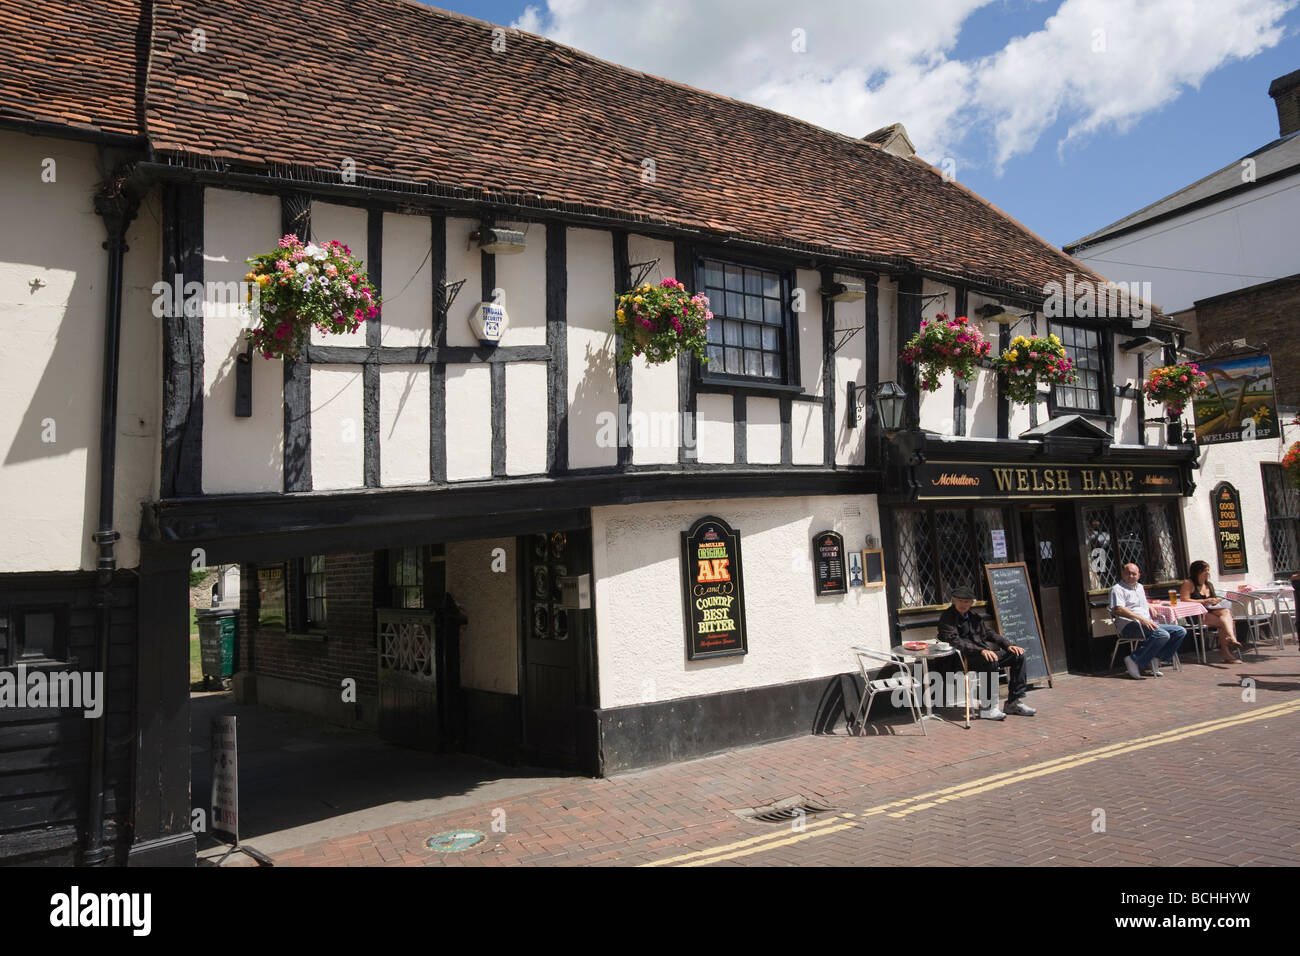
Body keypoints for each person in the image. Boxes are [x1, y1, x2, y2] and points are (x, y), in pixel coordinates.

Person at [936, 586, 1035, 719]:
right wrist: (981, 650)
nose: (963, 604)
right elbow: (955, 642)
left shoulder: (973, 616)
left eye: (966, 601)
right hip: (961, 659)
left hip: (982, 654)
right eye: (960, 601)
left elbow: (989, 633)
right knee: (990, 660)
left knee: (1018, 656)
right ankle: (988, 707)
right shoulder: (947, 618)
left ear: (972, 603)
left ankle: (1013, 702)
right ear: (954, 601)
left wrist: (1008, 645)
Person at [1109, 563, 1187, 678]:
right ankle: (1133, 659)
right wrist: (1141, 619)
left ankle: (1155, 658)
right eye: (1127, 573)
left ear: (1139, 575)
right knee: (1162, 634)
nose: (1130, 576)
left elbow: (1139, 603)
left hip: (1147, 623)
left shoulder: (1140, 587)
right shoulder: (1117, 589)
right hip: (1129, 625)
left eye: (1133, 574)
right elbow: (1118, 609)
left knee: (1180, 631)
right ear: (1122, 574)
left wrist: (1149, 605)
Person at [1179, 560, 1242, 663]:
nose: (1208, 573)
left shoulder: (1209, 584)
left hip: (1211, 610)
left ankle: (1231, 639)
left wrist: (1214, 600)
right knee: (1225, 622)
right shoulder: (1188, 583)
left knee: (1225, 612)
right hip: (1196, 614)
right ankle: (1227, 650)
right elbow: (1184, 600)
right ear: (1197, 572)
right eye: (1205, 570)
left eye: (1208, 570)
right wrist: (1204, 601)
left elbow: (1213, 600)